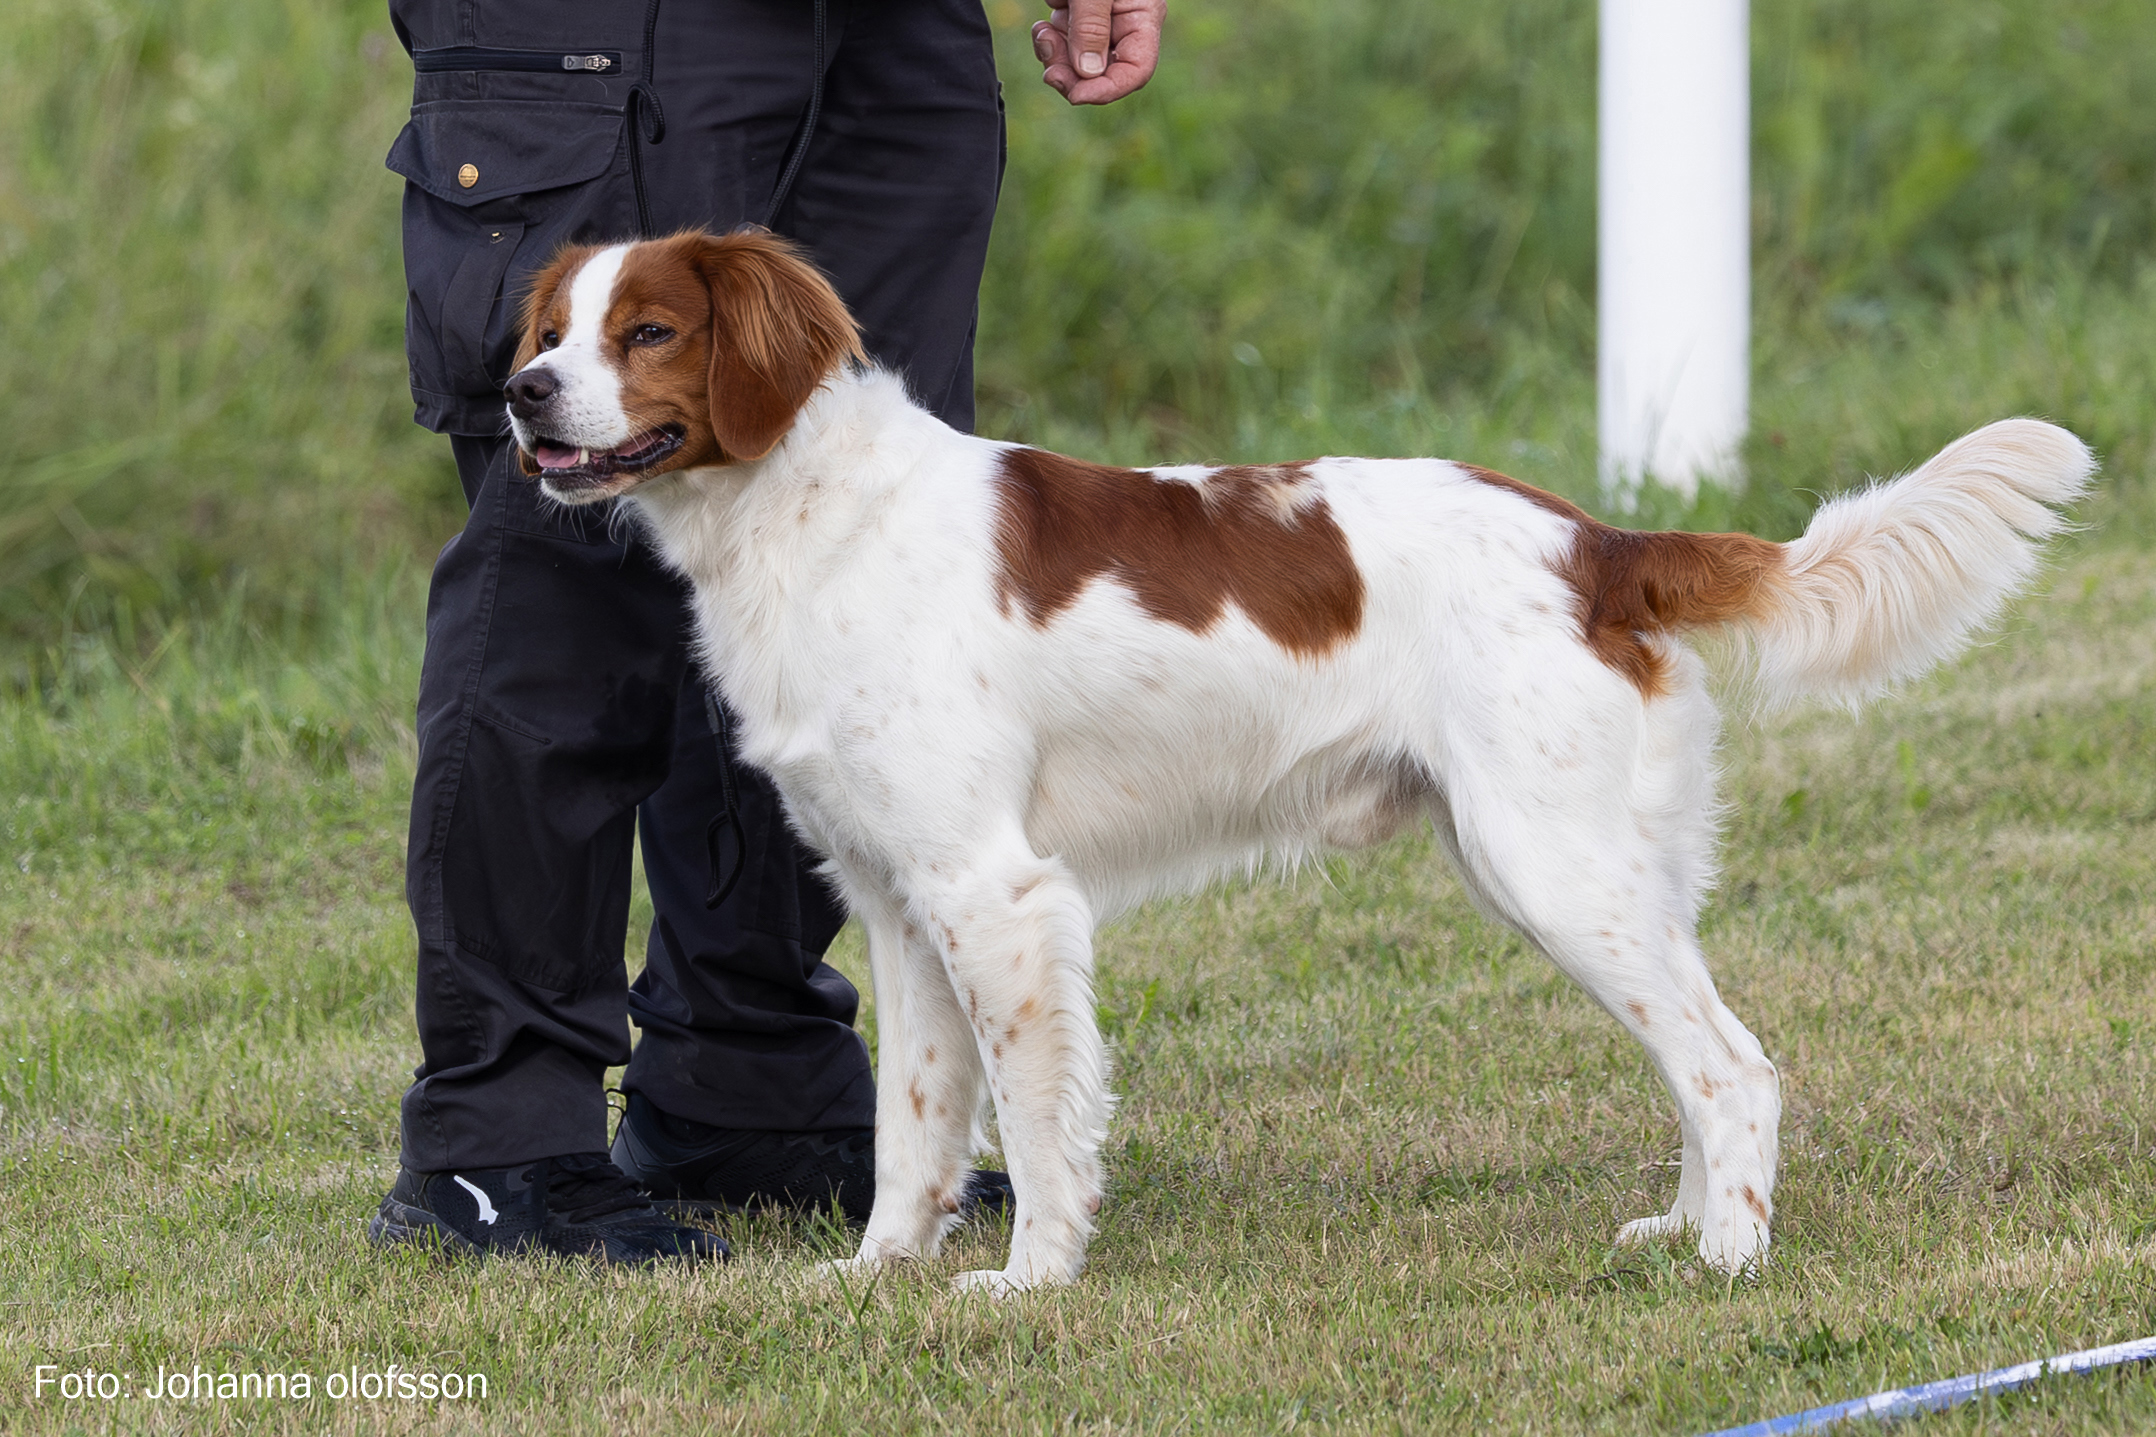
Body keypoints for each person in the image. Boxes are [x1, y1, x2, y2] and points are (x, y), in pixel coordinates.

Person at [368, 0, 1166, 1262]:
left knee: (854, 558)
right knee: (563, 568)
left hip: (896, 31)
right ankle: (498, 1143)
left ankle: (741, 1083)